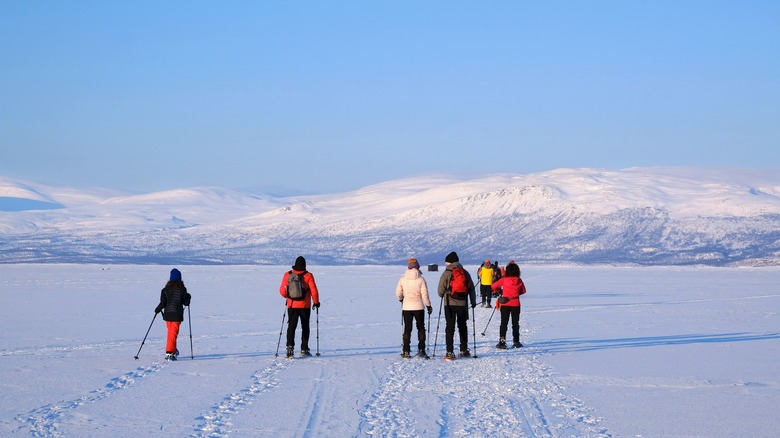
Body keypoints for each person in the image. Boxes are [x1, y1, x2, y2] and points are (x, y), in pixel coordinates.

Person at [437, 251, 477, 360]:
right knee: (462, 326)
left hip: (449, 304)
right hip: (462, 304)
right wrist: (473, 301)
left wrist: (443, 294)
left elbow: (440, 290)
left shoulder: (446, 273)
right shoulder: (465, 272)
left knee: (450, 327)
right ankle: (464, 349)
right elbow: (471, 288)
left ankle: (450, 352)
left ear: (449, 262)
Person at [279, 256, 320, 358]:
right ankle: (304, 349)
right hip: (305, 306)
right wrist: (316, 302)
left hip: (292, 305)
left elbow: (282, 291)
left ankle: (289, 349)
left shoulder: (288, 275)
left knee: (291, 327)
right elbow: (313, 290)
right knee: (305, 327)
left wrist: (288, 297)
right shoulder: (308, 275)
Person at [395, 258, 432, 359]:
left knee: (407, 328)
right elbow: (425, 295)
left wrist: (402, 300)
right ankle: (421, 349)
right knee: (421, 327)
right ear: (418, 267)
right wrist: (428, 306)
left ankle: (406, 350)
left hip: (406, 307)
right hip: (419, 307)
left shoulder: (402, 279)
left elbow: (398, 293)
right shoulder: (421, 279)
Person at [154, 268, 191, 361]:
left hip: (167, 315)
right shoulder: (182, 289)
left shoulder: (164, 290)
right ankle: (169, 352)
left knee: (171, 333)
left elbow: (163, 303)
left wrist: (157, 310)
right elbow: (185, 303)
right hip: (177, 315)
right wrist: (188, 297)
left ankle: (173, 350)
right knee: (172, 334)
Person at [490, 262, 527, 349]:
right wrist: (515, 293)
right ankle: (516, 341)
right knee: (515, 323)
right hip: (516, 303)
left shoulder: (504, 280)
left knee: (504, 323)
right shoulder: (519, 280)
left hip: (505, 303)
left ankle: (502, 342)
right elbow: (523, 291)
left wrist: (499, 291)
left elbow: (493, 286)